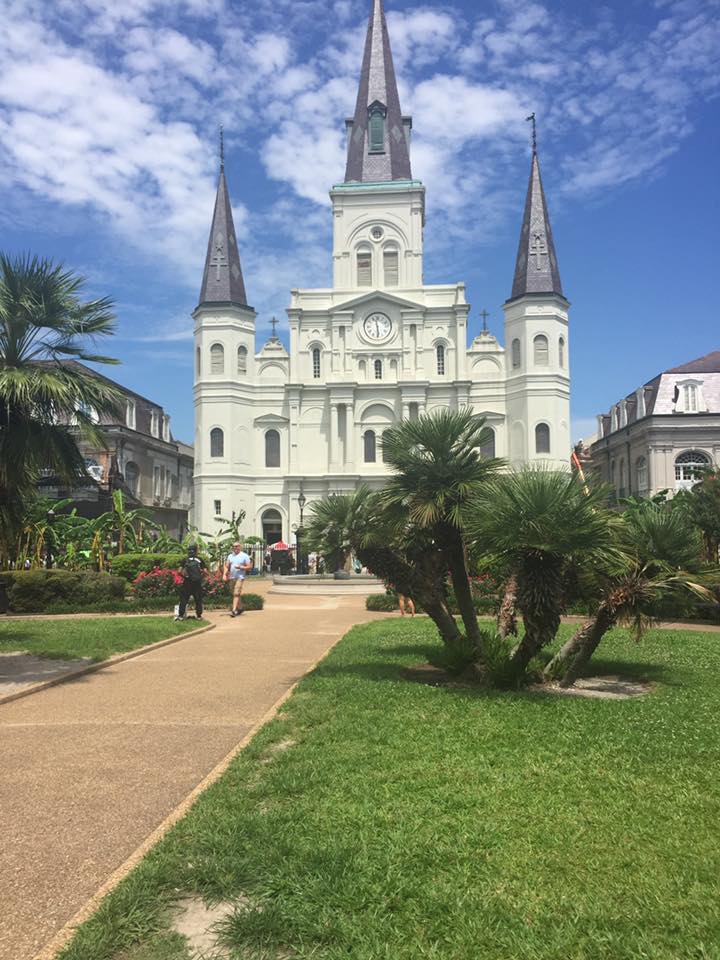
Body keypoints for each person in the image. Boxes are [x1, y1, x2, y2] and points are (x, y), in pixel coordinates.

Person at [176, 545, 206, 620]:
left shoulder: (185, 560)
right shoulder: (200, 560)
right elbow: (205, 571)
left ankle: (180, 616)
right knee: (198, 599)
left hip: (187, 582)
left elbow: (179, 571)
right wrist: (200, 577)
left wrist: (185, 577)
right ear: (196, 551)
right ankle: (199, 616)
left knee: (184, 599)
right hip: (197, 583)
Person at [224, 540, 252, 617]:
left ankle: (234, 610)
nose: (235, 548)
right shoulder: (230, 556)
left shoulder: (244, 556)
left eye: (236, 546)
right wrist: (224, 574)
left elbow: (249, 567)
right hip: (232, 577)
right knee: (234, 593)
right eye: (233, 546)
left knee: (236, 593)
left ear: (240, 547)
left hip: (240, 577)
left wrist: (241, 567)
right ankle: (240, 608)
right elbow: (227, 566)